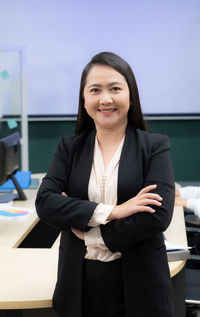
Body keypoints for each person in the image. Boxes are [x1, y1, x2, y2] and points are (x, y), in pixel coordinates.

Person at [35, 52, 175, 317]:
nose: (105, 99)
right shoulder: (69, 148)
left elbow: (157, 217)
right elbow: (45, 203)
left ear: (130, 95)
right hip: (78, 283)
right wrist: (114, 211)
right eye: (95, 90)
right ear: (84, 99)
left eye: (115, 88)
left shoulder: (154, 146)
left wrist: (92, 234)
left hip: (140, 286)